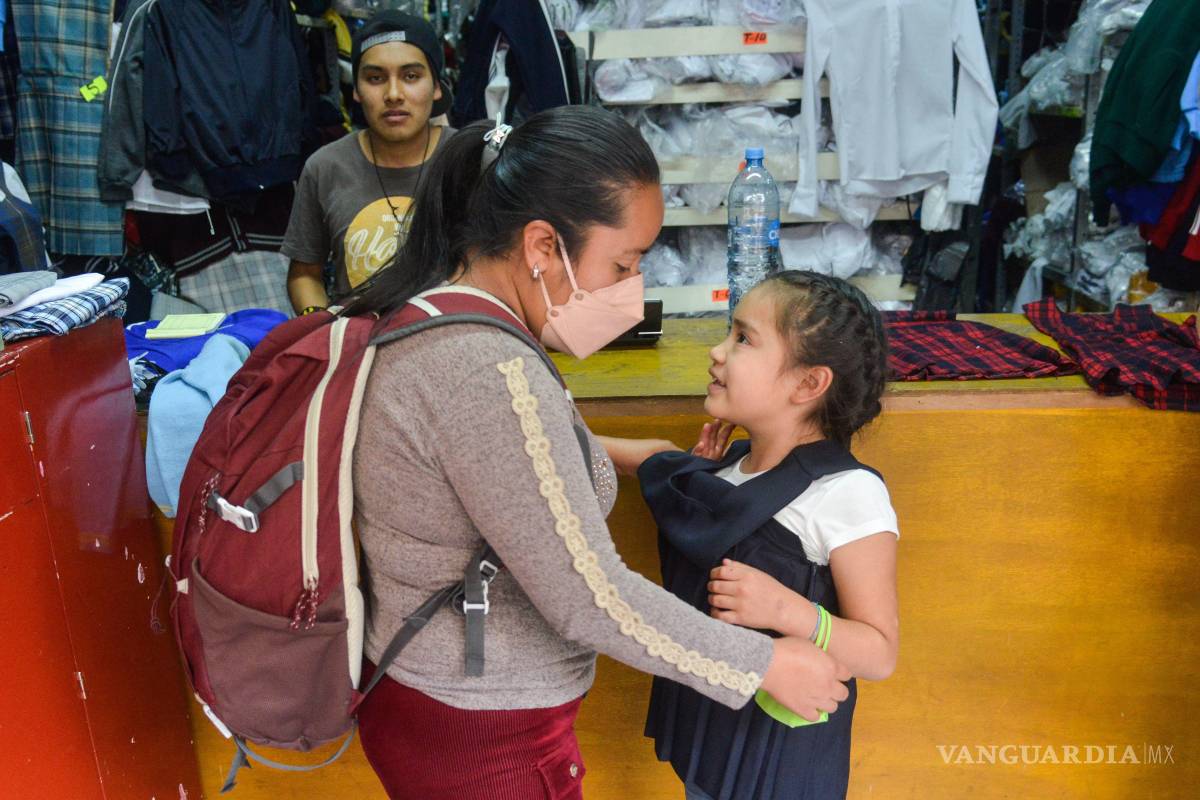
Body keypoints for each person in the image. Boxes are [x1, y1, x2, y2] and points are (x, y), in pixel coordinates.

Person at [343, 106, 852, 800]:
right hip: (483, 733)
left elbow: (498, 465)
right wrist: (761, 664)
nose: (630, 290)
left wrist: (623, 454)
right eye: (623, 263)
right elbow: (589, 596)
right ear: (543, 246)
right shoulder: (489, 372)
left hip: (436, 702)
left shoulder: (434, 314)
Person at [638, 272, 900, 800]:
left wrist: (789, 613)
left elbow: (880, 653)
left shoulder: (847, 494)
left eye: (742, 338)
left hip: (779, 766)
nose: (717, 352)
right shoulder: (728, 468)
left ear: (808, 384)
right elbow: (648, 460)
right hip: (713, 743)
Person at [281, 10, 454, 315]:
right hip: (360, 347)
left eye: (411, 76)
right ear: (358, 91)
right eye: (375, 78)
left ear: (437, 86)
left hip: (455, 338)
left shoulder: (472, 159)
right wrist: (326, 332)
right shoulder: (325, 167)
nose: (393, 94)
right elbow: (304, 274)